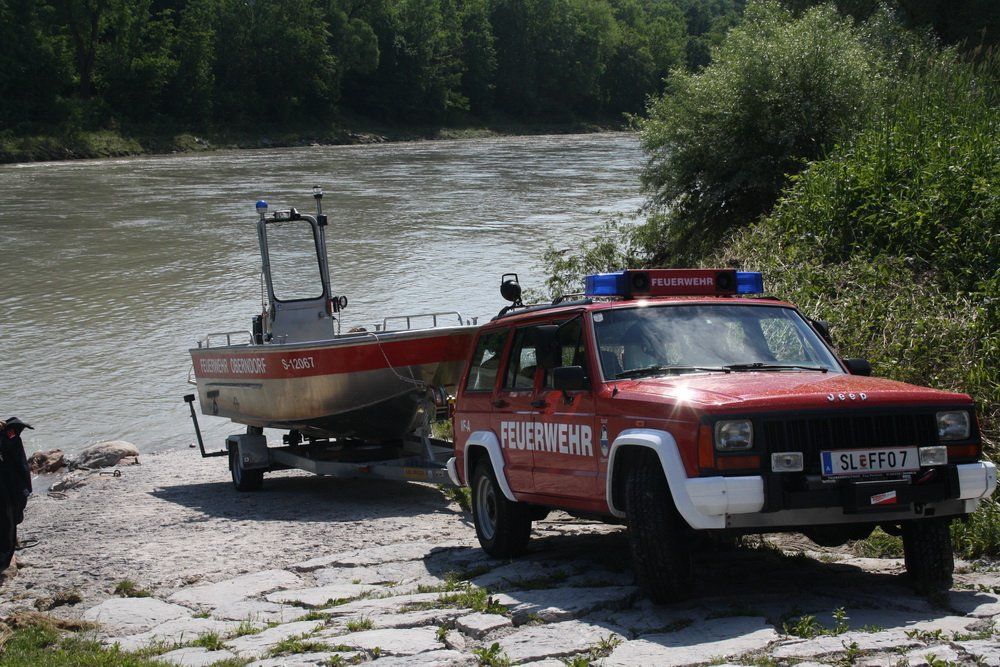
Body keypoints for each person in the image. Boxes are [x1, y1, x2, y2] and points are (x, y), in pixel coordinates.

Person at [0, 417, 33, 581]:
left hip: (7, 485)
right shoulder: (8, 436)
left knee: (8, 520)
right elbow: (21, 465)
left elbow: (20, 465)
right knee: (8, 520)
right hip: (8, 486)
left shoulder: (8, 436)